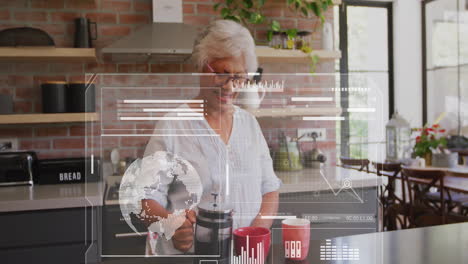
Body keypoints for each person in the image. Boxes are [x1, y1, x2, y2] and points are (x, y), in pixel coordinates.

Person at [139, 20, 281, 255]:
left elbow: (270, 189)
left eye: (240, 77)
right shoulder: (173, 126)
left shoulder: (249, 125)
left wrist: (254, 235)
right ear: (202, 66)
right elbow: (146, 198)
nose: (230, 86)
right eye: (223, 73)